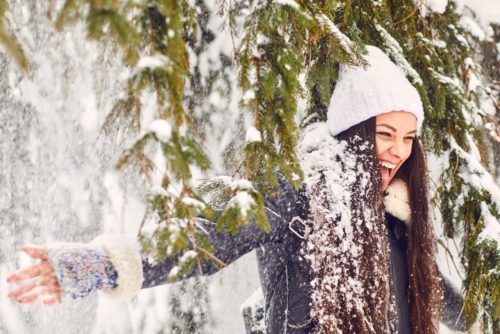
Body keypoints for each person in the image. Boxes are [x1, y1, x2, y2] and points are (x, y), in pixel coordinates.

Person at [6, 46, 465, 334]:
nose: (398, 151)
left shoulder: (394, 219)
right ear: (353, 132)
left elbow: (440, 299)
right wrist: (100, 266)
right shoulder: (297, 196)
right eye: (385, 134)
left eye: (408, 139)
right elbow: (205, 242)